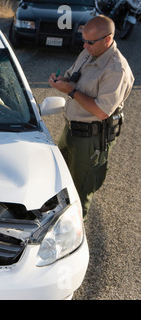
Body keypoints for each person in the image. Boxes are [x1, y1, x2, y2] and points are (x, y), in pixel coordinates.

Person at [49, 15, 134, 219]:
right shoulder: (89, 53)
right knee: (59, 181)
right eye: (83, 40)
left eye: (90, 42)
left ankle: (74, 237)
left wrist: (70, 91)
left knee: (79, 192)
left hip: (90, 139)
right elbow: (73, 74)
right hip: (71, 130)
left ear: (107, 39)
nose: (85, 46)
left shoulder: (116, 69)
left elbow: (101, 111)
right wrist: (62, 80)